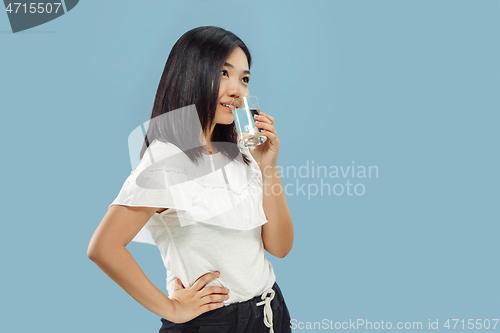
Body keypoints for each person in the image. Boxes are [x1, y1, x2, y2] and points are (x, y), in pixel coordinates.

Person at [87, 26, 294, 333]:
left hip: (270, 310)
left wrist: (268, 167)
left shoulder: (241, 151)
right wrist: (171, 308)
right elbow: (103, 247)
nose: (237, 90)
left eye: (244, 78)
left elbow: (279, 247)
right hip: (214, 323)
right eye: (224, 73)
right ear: (191, 73)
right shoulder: (166, 161)